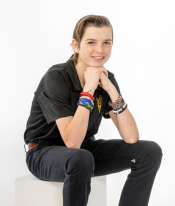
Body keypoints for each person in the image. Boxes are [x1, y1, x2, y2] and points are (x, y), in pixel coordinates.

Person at [24, 14, 163, 206]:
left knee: (150, 152)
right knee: (79, 157)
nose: (100, 50)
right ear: (76, 45)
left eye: (106, 42)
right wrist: (88, 89)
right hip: (42, 152)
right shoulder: (56, 77)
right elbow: (72, 142)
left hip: (84, 151)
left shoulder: (106, 79)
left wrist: (112, 91)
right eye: (91, 42)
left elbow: (131, 137)